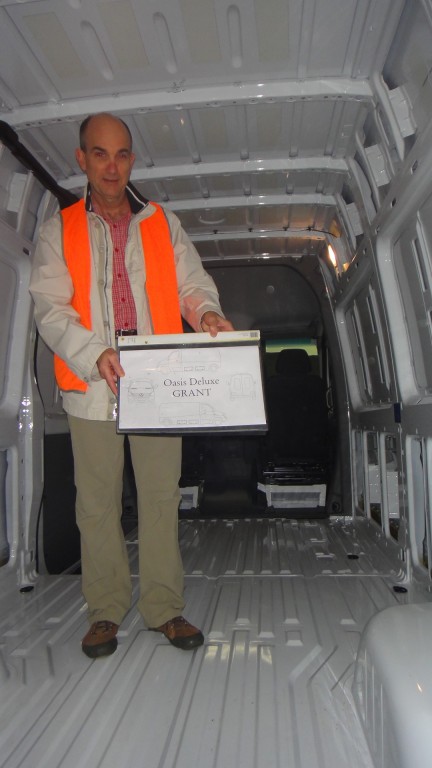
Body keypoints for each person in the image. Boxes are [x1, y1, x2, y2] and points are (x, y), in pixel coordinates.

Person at [30, 113, 233, 658]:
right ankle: (104, 611)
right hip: (91, 385)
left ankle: (164, 608)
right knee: (96, 504)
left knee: (161, 497)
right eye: (100, 154)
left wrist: (207, 313)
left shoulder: (162, 223)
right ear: (82, 159)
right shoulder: (57, 231)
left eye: (121, 154)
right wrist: (92, 353)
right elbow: (50, 310)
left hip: (158, 383)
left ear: (132, 160)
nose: (112, 166)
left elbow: (192, 284)